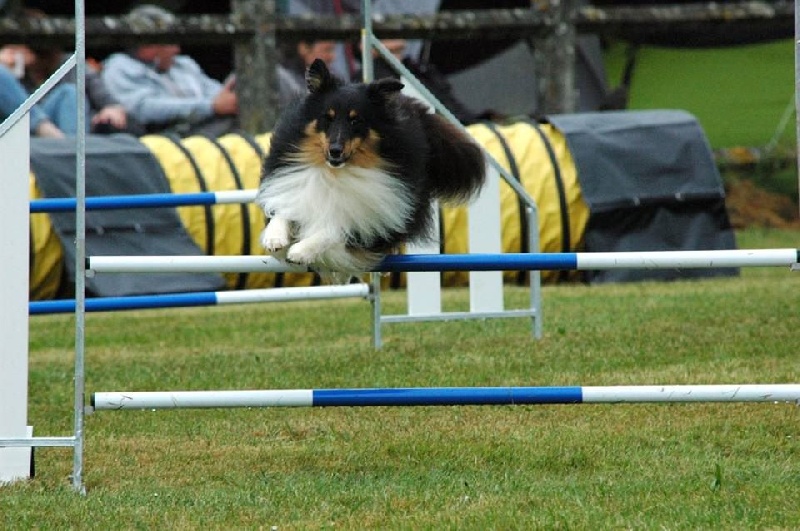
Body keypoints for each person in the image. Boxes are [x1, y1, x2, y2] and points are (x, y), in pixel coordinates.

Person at [101, 4, 239, 137]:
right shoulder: (119, 66)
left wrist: (229, 98)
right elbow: (143, 109)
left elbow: (218, 95)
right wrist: (210, 107)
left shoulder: (184, 64)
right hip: (162, 139)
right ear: (148, 46)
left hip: (208, 129)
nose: (176, 49)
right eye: (171, 42)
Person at [277, 39, 337, 108]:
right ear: (304, 48)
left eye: (333, 50)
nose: (333, 57)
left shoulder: (330, 78)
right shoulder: (283, 80)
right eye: (327, 50)